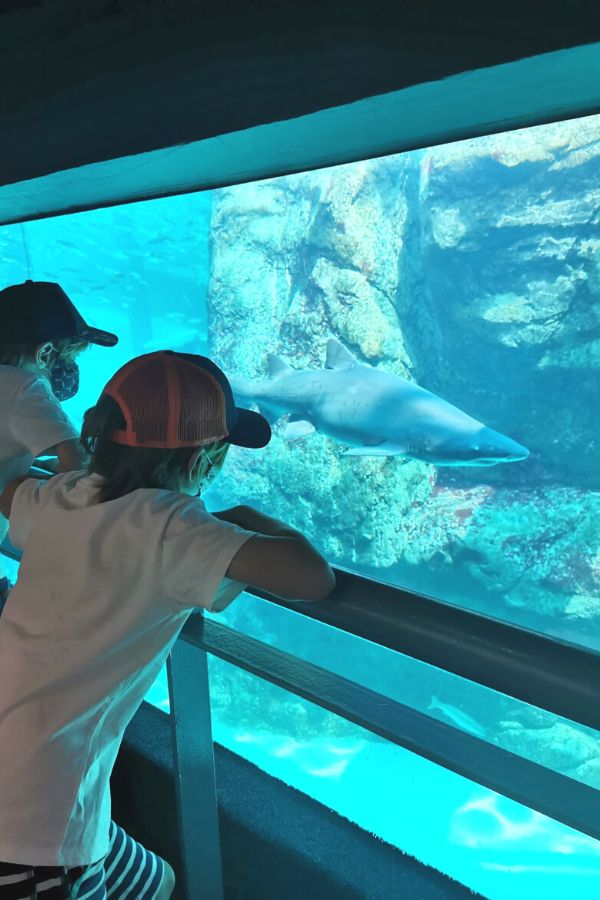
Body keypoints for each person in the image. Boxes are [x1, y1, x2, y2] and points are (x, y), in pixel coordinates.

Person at [0, 348, 335, 898]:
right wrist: (244, 519)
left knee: (156, 880)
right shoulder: (175, 531)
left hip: (46, 790)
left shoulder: (58, 496)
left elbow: (13, 494)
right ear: (204, 459)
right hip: (35, 829)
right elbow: (311, 578)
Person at [0, 282, 175, 898]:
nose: (70, 364)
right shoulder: (21, 387)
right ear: (46, 351)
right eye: (70, 350)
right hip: (33, 839)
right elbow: (86, 475)